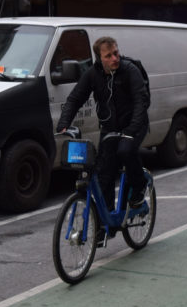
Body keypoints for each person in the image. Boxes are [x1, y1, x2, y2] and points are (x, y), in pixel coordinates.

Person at [56, 36, 149, 214]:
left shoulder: (130, 70)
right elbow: (75, 99)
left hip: (134, 124)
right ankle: (106, 221)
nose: (114, 58)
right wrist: (64, 123)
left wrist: (131, 130)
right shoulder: (92, 74)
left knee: (125, 151)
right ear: (99, 58)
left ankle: (139, 187)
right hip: (110, 128)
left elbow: (141, 101)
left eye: (116, 53)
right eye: (108, 56)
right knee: (103, 173)